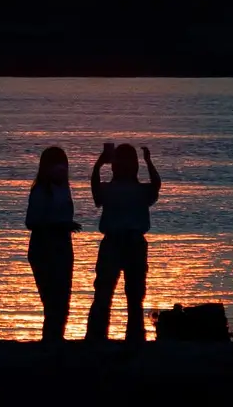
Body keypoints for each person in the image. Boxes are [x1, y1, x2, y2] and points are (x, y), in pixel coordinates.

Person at [84, 141, 160, 341]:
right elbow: (156, 187)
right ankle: (131, 337)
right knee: (130, 296)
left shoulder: (113, 189)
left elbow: (96, 193)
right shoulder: (135, 190)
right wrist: (149, 162)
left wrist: (98, 166)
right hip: (128, 242)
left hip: (120, 242)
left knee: (107, 294)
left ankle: (97, 337)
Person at [24, 145, 79, 341]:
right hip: (44, 248)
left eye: (63, 164)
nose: (61, 168)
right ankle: (50, 343)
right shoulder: (41, 191)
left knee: (63, 301)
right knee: (52, 302)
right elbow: (31, 222)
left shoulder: (64, 188)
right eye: (56, 164)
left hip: (63, 246)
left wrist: (65, 226)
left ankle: (56, 340)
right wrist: (60, 226)